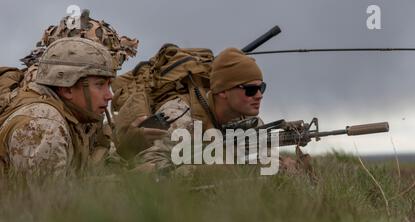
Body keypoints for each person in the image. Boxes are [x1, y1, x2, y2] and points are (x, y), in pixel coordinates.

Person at [124, 47, 267, 172]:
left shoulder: (250, 122)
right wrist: (200, 172)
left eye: (261, 88)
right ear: (223, 91)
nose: (259, 96)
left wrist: (281, 167)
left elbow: (263, 160)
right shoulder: (178, 117)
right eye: (251, 90)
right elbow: (145, 162)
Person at [0, 38, 116, 177]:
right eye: (100, 85)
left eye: (109, 85)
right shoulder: (45, 125)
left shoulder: (67, 114)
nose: (109, 95)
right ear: (67, 89)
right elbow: (47, 198)